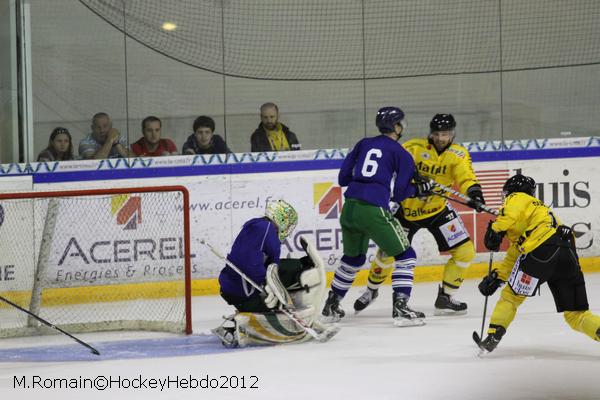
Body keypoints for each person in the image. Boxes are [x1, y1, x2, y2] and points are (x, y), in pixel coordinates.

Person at [353, 113, 486, 317]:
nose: (442, 138)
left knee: (465, 252)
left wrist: (475, 194)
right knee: (387, 253)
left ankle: (446, 297)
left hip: (438, 209)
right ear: (431, 134)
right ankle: (371, 290)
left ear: (453, 134)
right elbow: (391, 164)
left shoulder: (458, 154)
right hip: (407, 210)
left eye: (446, 134)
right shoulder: (413, 147)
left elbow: (466, 177)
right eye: (437, 134)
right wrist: (412, 176)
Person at [321, 106, 433, 326]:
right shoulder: (402, 153)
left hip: (350, 208)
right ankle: (401, 308)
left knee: (353, 259)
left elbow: (343, 178)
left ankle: (331, 305)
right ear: (397, 126)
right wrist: (419, 189)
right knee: (406, 255)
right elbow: (400, 193)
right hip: (373, 210)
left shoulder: (363, 143)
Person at [476, 174, 600, 353]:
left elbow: (510, 214)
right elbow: (515, 252)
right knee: (576, 315)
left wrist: (496, 229)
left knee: (511, 297)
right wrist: (498, 277)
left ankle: (493, 336)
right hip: (567, 253)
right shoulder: (537, 215)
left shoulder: (517, 198)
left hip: (542, 251)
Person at [213, 200, 335, 347]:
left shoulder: (257, 225)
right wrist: (265, 283)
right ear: (281, 219)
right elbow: (249, 261)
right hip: (245, 292)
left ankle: (247, 317)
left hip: (232, 287)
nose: (288, 228)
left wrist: (269, 282)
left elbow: (256, 260)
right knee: (291, 273)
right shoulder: (266, 229)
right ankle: (243, 328)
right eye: (288, 223)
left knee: (290, 267)